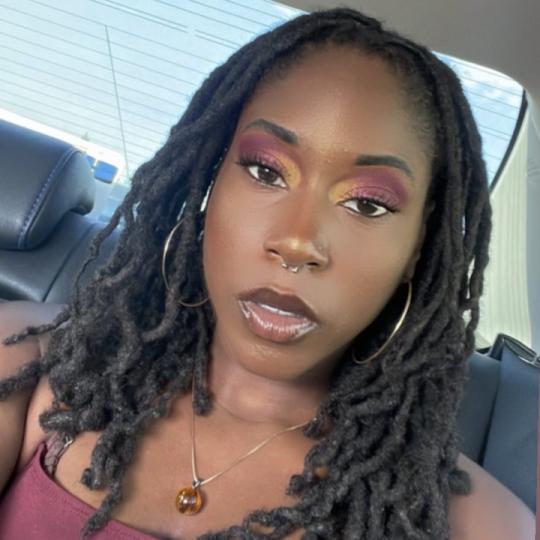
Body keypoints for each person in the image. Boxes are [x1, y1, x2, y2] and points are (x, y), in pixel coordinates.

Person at [0, 7, 535, 540]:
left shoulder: (475, 525)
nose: (298, 242)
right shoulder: (33, 363)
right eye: (266, 171)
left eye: (368, 204)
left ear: (418, 249)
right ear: (208, 183)